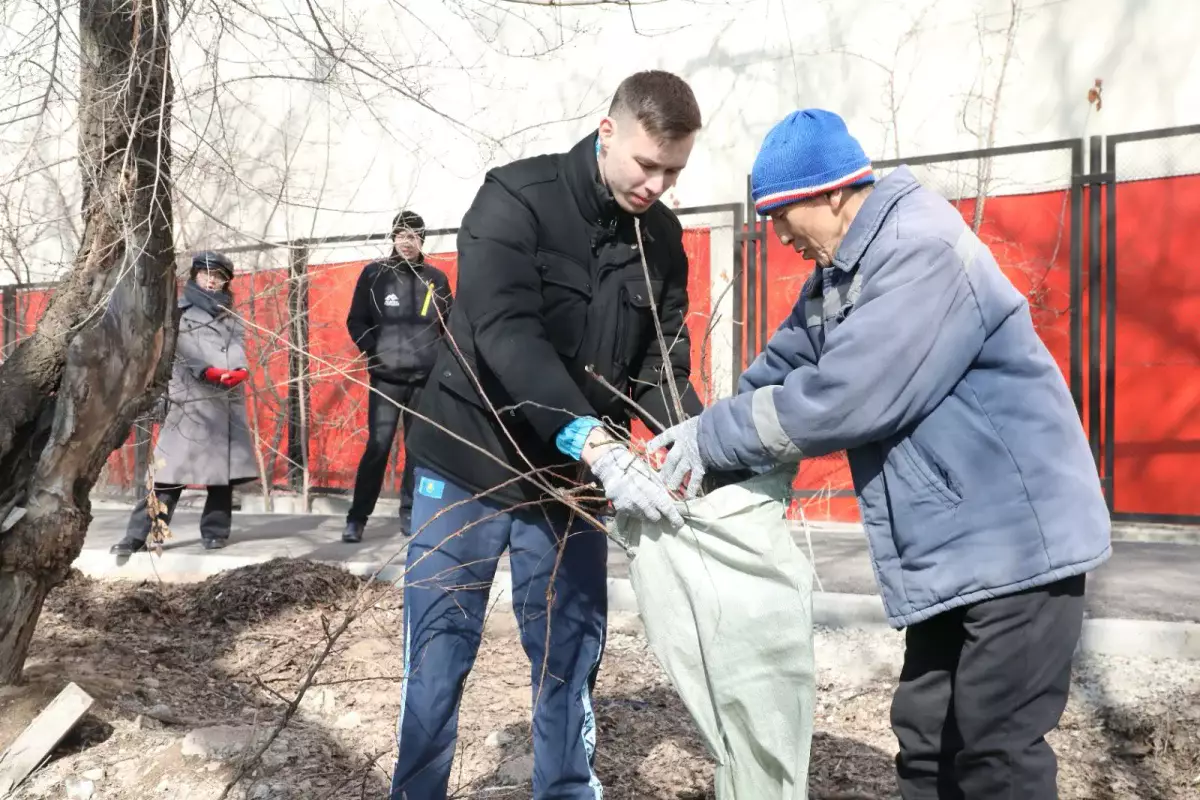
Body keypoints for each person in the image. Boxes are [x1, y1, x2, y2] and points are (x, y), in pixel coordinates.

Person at [648, 108, 1112, 799]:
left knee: (995, 753)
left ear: (834, 192)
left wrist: (717, 437)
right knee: (926, 743)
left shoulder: (921, 250)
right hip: (952, 552)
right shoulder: (840, 273)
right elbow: (779, 370)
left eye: (783, 215)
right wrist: (700, 450)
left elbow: (850, 396)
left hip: (1019, 547)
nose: (778, 235)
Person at [390, 71, 705, 798]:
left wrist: (688, 444)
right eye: (646, 164)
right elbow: (506, 332)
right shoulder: (515, 199)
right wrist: (594, 442)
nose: (656, 184)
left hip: (568, 485)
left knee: (570, 646)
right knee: (439, 647)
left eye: (674, 171)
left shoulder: (659, 238)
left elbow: (658, 360)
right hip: (469, 458)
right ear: (608, 132)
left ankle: (565, 788)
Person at [111, 251, 258, 555]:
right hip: (189, 401)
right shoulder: (178, 310)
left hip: (224, 400)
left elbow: (237, 346)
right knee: (168, 476)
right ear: (194, 276)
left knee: (221, 475)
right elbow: (180, 347)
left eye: (219, 276)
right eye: (207, 274)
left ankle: (216, 532)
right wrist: (207, 370)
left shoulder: (230, 315)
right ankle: (138, 536)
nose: (212, 280)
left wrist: (241, 370)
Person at [343, 210, 453, 543]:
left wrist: (442, 364)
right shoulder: (375, 275)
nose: (408, 241)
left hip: (424, 379)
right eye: (402, 235)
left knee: (418, 450)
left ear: (423, 240)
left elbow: (450, 327)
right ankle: (357, 518)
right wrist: (375, 353)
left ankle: (411, 512)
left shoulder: (436, 279)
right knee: (378, 446)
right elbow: (356, 321)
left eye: (415, 235)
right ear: (393, 238)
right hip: (386, 378)